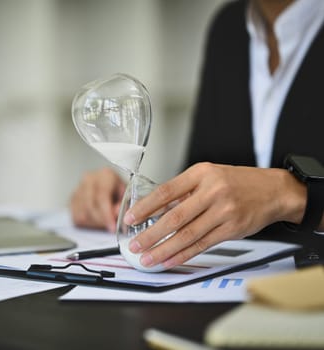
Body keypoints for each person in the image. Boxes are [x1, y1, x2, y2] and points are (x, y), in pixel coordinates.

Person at [70, 0, 324, 270]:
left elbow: (262, 194)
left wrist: (288, 196)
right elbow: (205, 177)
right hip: (236, 285)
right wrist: (141, 202)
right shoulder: (229, 27)